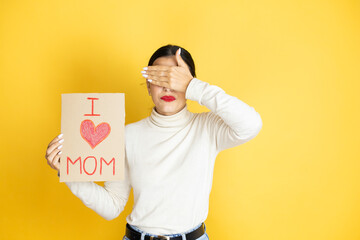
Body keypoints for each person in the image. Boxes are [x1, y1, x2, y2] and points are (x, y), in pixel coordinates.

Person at [45, 44, 263, 240]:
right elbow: (112, 206)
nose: (167, 87)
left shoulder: (208, 128)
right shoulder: (126, 135)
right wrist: (70, 173)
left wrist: (194, 86)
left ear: (190, 85)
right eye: (159, 79)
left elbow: (251, 124)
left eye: (175, 79)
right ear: (148, 86)